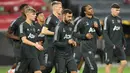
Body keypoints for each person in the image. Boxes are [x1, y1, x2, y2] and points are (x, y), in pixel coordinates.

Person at [73, 4, 102, 73]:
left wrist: (97, 28)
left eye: (91, 8)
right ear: (85, 12)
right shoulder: (81, 21)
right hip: (85, 47)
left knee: (87, 69)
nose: (91, 9)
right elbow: (73, 33)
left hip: (94, 47)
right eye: (89, 9)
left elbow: (100, 34)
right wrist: (84, 36)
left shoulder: (96, 20)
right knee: (93, 69)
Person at [15, 7, 44, 73]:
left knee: (38, 71)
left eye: (35, 14)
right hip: (25, 54)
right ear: (27, 14)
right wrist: (35, 45)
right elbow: (24, 40)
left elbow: (34, 39)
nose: (35, 16)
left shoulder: (33, 27)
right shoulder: (23, 25)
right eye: (33, 14)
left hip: (33, 54)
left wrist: (38, 44)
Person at [103, 3, 127, 73]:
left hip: (119, 45)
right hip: (109, 46)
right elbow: (104, 33)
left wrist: (124, 43)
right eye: (117, 10)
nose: (118, 12)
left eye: (119, 10)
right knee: (109, 64)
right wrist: (110, 44)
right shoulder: (107, 18)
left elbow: (121, 32)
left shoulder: (119, 19)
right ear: (112, 10)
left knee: (124, 62)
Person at [6, 4, 29, 73]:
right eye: (26, 8)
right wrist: (19, 38)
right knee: (20, 61)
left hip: (28, 45)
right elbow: (8, 34)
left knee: (27, 61)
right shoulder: (17, 21)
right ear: (22, 11)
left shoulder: (31, 20)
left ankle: (10, 71)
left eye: (29, 8)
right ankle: (11, 71)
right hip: (18, 45)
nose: (28, 9)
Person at [40, 1, 62, 73]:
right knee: (48, 67)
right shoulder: (50, 18)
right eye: (60, 7)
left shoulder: (58, 19)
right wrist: (56, 33)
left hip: (57, 47)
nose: (61, 9)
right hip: (50, 47)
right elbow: (44, 31)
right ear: (55, 8)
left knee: (59, 68)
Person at [54, 9, 77, 73]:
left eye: (71, 16)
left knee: (74, 71)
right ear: (63, 16)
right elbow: (55, 43)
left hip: (70, 55)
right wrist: (67, 43)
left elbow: (72, 37)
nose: (70, 18)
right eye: (68, 17)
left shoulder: (71, 26)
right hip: (60, 56)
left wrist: (74, 41)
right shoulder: (58, 27)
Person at [73, 5, 86, 73]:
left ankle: (77, 71)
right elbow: (73, 31)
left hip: (85, 43)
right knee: (76, 59)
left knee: (83, 59)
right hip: (78, 43)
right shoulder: (78, 20)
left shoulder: (88, 19)